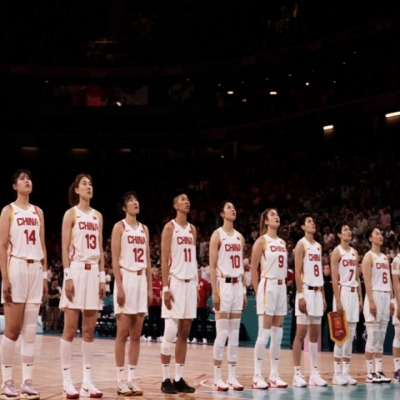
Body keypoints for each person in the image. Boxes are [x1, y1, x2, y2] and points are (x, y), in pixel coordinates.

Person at [0, 169, 48, 400]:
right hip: (16, 266)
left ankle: (27, 381)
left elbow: (43, 244)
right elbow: (1, 246)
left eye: (29, 177)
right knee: (12, 329)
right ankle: (6, 381)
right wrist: (5, 278)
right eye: (21, 178)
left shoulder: (39, 212)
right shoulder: (8, 211)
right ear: (14, 186)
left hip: (36, 268)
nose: (27, 180)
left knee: (30, 331)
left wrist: (45, 275)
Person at [59, 173, 106, 399]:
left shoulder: (98, 216)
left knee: (89, 331)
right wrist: (67, 276)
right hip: (76, 270)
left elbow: (101, 250)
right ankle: (67, 380)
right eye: (85, 184)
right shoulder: (71, 214)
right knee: (69, 329)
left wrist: (103, 278)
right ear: (76, 190)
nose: (89, 186)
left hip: (94, 270)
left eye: (91, 183)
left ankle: (87, 380)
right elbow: (65, 247)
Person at [111, 191, 153, 396]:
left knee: (136, 334)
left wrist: (150, 287)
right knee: (122, 333)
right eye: (130, 201)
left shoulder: (144, 229)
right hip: (126, 278)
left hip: (140, 279)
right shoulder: (119, 227)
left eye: (136, 199)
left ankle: (132, 379)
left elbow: (148, 260)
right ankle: (120, 379)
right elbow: (114, 259)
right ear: (124, 207)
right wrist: (119, 286)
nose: (135, 202)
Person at [160, 190, 197, 394]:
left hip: (190, 283)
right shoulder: (169, 228)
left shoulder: (192, 229)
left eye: (188, 199)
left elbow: (193, 259)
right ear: (175, 206)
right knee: (170, 332)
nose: (186, 202)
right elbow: (165, 260)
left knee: (185, 332)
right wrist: (165, 288)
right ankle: (165, 378)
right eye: (183, 200)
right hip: (175, 283)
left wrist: (197, 283)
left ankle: (179, 377)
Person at [209, 201, 247, 391]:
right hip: (223, 285)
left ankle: (232, 376)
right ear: (222, 214)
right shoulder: (217, 235)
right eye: (229, 208)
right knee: (222, 333)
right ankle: (217, 377)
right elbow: (212, 265)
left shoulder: (240, 237)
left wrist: (244, 290)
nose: (233, 209)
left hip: (238, 285)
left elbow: (240, 265)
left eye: (234, 207)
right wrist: (214, 292)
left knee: (234, 335)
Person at [250, 208, 288, 389]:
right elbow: (253, 269)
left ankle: (274, 374)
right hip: (268, 285)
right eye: (272, 214)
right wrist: (258, 292)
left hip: (281, 287)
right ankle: (257, 375)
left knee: (277, 334)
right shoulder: (261, 241)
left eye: (276, 214)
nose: (276, 216)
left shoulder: (282, 242)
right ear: (265, 221)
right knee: (264, 333)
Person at [292, 214, 328, 387]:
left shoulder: (319, 246)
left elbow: (319, 272)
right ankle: (297, 373)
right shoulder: (301, 245)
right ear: (303, 227)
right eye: (309, 222)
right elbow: (298, 271)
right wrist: (300, 295)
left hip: (317, 291)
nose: (312, 223)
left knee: (314, 335)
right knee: (301, 334)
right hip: (305, 290)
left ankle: (314, 373)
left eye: (313, 221)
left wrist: (322, 295)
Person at [330, 221, 363, 385]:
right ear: (339, 235)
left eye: (349, 230)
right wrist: (337, 300)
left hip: (353, 293)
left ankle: (346, 372)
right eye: (345, 230)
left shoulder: (355, 253)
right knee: (340, 336)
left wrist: (361, 297)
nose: (349, 232)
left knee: (350, 336)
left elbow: (357, 277)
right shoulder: (336, 253)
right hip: (342, 292)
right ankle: (336, 373)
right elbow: (334, 279)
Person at [362, 228, 392, 383]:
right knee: (372, 336)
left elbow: (390, 280)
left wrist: (392, 299)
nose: (380, 236)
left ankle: (378, 371)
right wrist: (371, 300)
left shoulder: (385, 258)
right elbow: (367, 280)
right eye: (376, 234)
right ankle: (369, 372)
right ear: (370, 238)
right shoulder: (368, 256)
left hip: (386, 296)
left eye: (381, 234)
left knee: (381, 337)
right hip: (374, 295)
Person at [190, 268, 210, 344]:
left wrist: (205, 299)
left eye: (199, 272)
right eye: (197, 272)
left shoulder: (204, 282)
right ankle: (195, 337)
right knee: (194, 322)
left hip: (202, 305)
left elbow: (208, 291)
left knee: (203, 322)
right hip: (194, 306)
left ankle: (204, 337)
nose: (198, 273)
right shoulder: (192, 282)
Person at [146, 267, 163, 342]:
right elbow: (150, 290)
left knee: (159, 320)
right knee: (151, 320)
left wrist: (160, 298)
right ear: (152, 272)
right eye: (154, 271)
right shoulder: (150, 281)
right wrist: (156, 298)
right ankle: (149, 335)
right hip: (152, 303)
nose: (156, 272)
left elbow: (162, 290)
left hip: (159, 304)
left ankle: (159, 335)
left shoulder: (161, 281)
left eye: (157, 271)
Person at [321, 264, 334, 351]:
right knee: (321, 327)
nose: (328, 270)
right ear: (323, 270)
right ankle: (320, 345)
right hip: (323, 306)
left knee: (331, 328)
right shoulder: (321, 280)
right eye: (326, 268)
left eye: (329, 268)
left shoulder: (333, 279)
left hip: (332, 307)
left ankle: (332, 346)